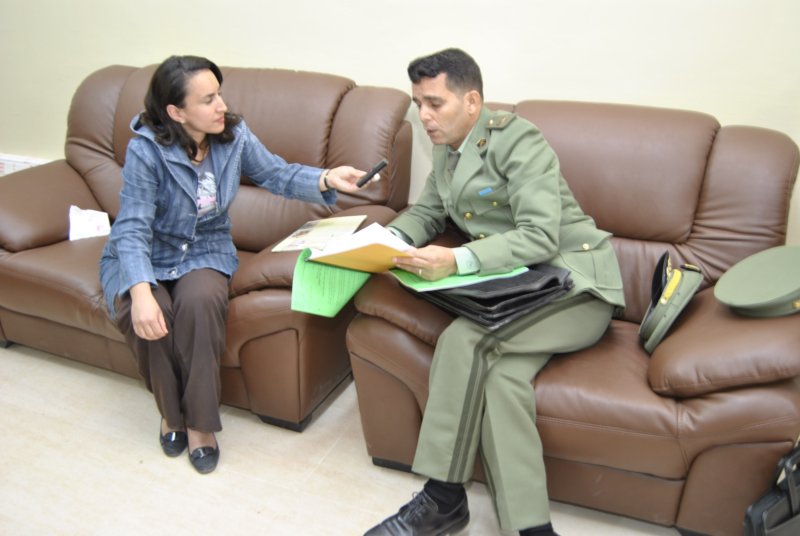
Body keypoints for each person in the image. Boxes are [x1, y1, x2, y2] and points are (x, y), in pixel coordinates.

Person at [363, 48, 625, 535]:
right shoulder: (447, 148)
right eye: (418, 104)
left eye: (435, 103)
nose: (424, 116)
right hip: (519, 292)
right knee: (503, 381)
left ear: (472, 102)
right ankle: (531, 528)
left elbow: (540, 236)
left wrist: (457, 259)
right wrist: (382, 242)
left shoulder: (519, 140)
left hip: (573, 287)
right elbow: (428, 212)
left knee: (464, 339)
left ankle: (442, 498)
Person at [100, 55, 370, 475]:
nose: (221, 106)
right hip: (145, 251)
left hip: (205, 249)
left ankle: (200, 425)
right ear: (176, 112)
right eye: (208, 99)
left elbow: (276, 174)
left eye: (219, 94)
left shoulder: (234, 135)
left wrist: (326, 178)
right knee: (150, 315)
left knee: (200, 304)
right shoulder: (145, 151)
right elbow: (132, 228)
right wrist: (139, 292)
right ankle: (172, 415)